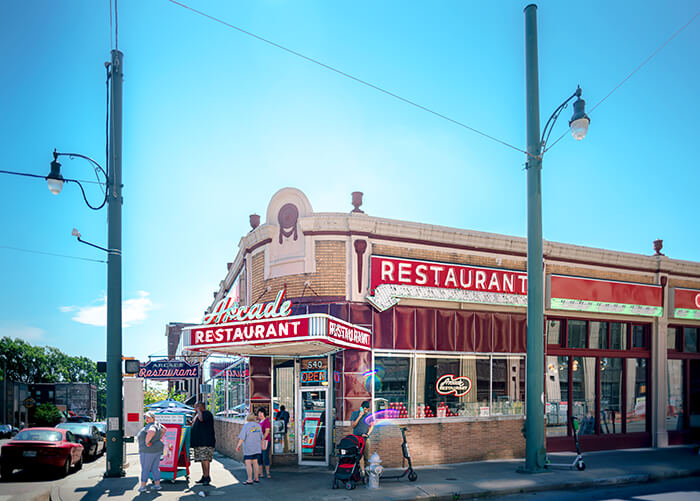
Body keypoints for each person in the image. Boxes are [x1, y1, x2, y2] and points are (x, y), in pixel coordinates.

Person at [136, 411, 165, 492]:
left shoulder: (151, 426)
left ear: (153, 418)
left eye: (149, 417)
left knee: (145, 468)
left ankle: (143, 487)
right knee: (155, 468)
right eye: (146, 417)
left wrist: (147, 442)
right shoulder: (157, 424)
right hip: (157, 449)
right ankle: (157, 485)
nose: (147, 419)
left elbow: (152, 431)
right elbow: (164, 429)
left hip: (147, 451)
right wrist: (159, 438)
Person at [191, 401, 216, 485]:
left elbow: (201, 419)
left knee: (205, 459)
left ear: (200, 407)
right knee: (202, 460)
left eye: (196, 407)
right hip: (199, 442)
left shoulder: (206, 414)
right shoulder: (198, 415)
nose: (194, 409)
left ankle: (207, 477)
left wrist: (198, 411)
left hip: (206, 442)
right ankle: (204, 476)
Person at [236, 413, 262, 484]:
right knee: (255, 463)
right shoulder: (258, 426)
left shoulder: (246, 426)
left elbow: (242, 438)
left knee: (248, 463)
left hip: (249, 448)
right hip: (257, 448)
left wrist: (238, 445)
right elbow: (261, 437)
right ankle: (256, 478)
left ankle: (250, 479)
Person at [349, 400, 374, 471]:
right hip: (356, 439)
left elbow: (372, 426)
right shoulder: (354, 414)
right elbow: (353, 426)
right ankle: (356, 472)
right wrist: (360, 416)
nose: (365, 411)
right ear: (361, 408)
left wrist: (367, 434)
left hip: (365, 438)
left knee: (366, 457)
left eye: (367, 409)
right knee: (356, 457)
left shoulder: (369, 415)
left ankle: (367, 473)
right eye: (364, 409)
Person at [257, 407, 272, 478]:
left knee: (265, 457)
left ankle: (268, 473)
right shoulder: (259, 422)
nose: (259, 414)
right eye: (259, 413)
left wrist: (262, 439)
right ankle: (261, 473)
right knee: (259, 457)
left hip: (265, 441)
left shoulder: (266, 421)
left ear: (264, 413)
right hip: (259, 442)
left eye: (261, 412)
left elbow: (267, 432)